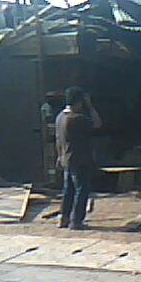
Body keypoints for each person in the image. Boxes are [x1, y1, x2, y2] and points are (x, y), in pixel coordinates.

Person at [55, 86, 102, 229]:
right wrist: (91, 105)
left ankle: (63, 218)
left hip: (66, 159)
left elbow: (58, 139)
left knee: (68, 190)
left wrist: (59, 156)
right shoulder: (77, 119)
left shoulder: (60, 117)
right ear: (79, 102)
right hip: (79, 159)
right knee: (81, 190)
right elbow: (98, 124)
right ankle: (76, 221)